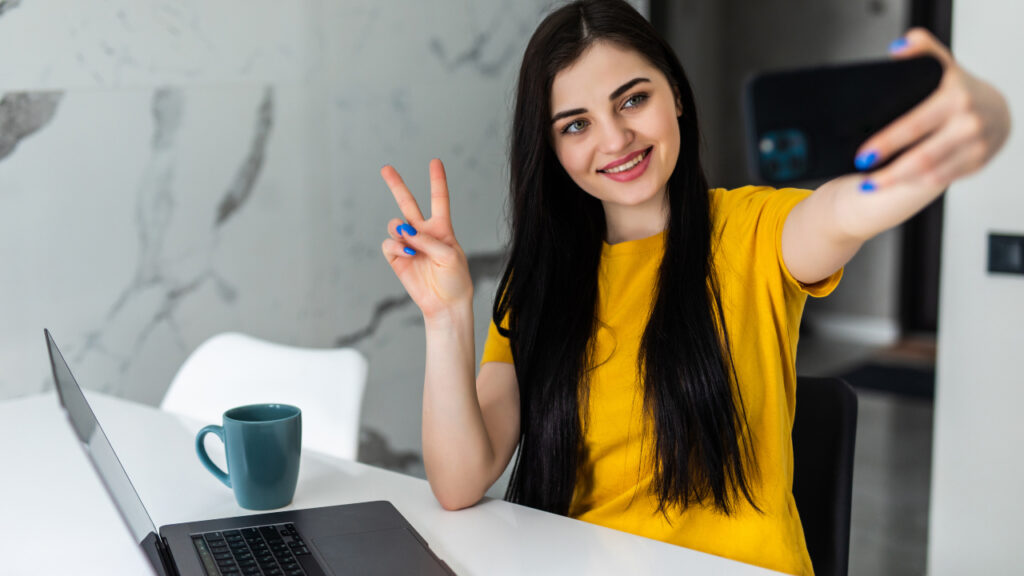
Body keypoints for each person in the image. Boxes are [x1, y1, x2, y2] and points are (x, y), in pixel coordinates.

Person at [378, 1, 1011, 574]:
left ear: (676, 94)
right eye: (576, 125)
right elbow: (459, 484)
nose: (615, 138)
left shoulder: (754, 231)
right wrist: (446, 315)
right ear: (551, 149)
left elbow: (846, 211)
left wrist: (979, 123)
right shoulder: (539, 283)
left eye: (632, 99)